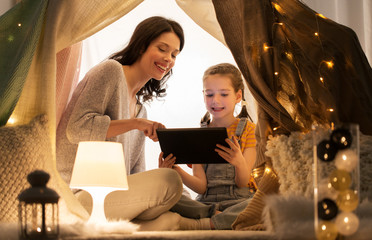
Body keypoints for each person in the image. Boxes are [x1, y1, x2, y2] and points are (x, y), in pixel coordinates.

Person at [56, 16, 185, 229]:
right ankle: (206, 220)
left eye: (174, 54)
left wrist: (161, 169)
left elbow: (134, 173)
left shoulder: (139, 108)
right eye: (162, 49)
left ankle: (198, 220)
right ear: (142, 45)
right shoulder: (110, 71)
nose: (168, 59)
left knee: (168, 210)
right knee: (170, 184)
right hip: (79, 195)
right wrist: (135, 124)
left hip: (113, 196)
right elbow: (76, 129)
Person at [159, 63, 257, 230]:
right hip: (206, 203)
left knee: (266, 201)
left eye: (224, 94)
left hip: (239, 200)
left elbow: (242, 182)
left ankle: (208, 222)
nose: (215, 101)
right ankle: (215, 217)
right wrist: (175, 171)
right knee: (168, 198)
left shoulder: (249, 130)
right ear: (203, 95)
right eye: (209, 94)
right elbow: (201, 186)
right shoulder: (200, 134)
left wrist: (238, 162)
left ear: (238, 96)